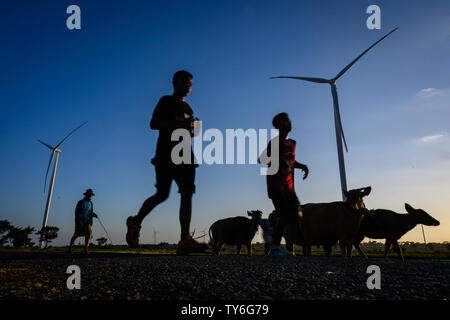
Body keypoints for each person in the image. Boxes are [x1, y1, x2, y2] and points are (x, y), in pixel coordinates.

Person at [126, 70, 208, 255]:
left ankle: (184, 239)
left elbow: (191, 133)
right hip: (165, 154)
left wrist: (195, 128)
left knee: (187, 192)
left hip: (186, 155)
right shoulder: (166, 101)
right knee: (162, 195)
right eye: (185, 82)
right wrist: (179, 125)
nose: (189, 86)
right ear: (174, 82)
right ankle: (135, 222)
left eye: (191, 84)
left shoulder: (189, 109)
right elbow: (153, 123)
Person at [259, 112, 309, 256]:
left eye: (289, 120)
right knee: (285, 216)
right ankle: (274, 247)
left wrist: (303, 166)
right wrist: (276, 160)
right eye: (285, 121)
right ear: (278, 126)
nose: (289, 123)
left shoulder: (292, 143)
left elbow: (291, 162)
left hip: (289, 187)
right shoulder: (275, 142)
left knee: (298, 215)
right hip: (276, 184)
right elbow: (262, 159)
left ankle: (270, 224)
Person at [68, 188, 98, 254]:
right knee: (76, 235)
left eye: (91, 195)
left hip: (87, 221)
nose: (90, 196)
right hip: (80, 221)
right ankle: (69, 248)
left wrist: (94, 214)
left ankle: (85, 248)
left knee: (88, 234)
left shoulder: (91, 203)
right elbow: (77, 212)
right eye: (89, 194)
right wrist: (79, 220)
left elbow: (90, 212)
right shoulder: (80, 202)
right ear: (86, 195)